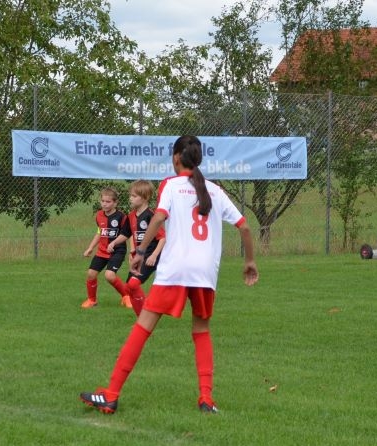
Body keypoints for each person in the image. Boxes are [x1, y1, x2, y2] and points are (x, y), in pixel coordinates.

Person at [80, 135, 259, 414]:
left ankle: (111, 394)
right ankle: (206, 399)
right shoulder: (214, 190)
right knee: (201, 331)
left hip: (175, 269)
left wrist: (140, 251)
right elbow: (245, 227)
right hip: (205, 273)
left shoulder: (171, 185)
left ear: (176, 158)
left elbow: (160, 216)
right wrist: (250, 262)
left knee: (143, 327)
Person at [115, 180, 166, 316]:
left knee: (133, 285)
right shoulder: (131, 216)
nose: (130, 198)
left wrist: (154, 255)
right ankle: (142, 317)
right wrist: (113, 243)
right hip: (140, 256)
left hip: (151, 256)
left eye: (134, 196)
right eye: (130, 195)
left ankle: (144, 318)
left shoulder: (151, 216)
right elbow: (125, 234)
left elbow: (162, 238)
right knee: (128, 288)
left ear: (145, 197)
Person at [81, 187, 131, 308]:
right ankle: (92, 300)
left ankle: (126, 296)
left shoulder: (122, 217)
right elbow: (99, 232)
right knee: (91, 274)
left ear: (115, 203)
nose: (104, 204)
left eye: (108, 202)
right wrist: (90, 248)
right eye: (103, 201)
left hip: (117, 251)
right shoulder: (99, 215)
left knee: (109, 276)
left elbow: (128, 234)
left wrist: (132, 251)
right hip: (102, 251)